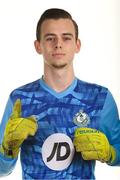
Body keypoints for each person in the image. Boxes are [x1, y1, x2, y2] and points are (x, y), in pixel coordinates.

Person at [0, 8, 120, 180]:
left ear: (77, 45)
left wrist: (110, 153)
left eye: (66, 38)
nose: (58, 44)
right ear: (38, 46)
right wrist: (7, 148)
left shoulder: (100, 97)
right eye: (50, 38)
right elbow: (1, 170)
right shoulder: (20, 99)